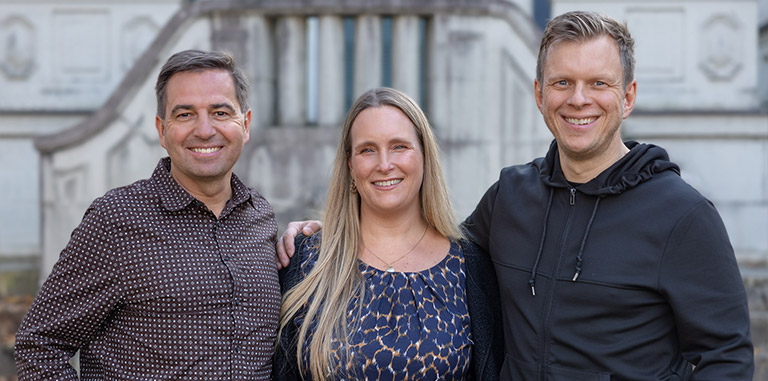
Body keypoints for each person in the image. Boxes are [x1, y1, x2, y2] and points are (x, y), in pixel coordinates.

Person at [277, 11, 754, 380]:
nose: (578, 99)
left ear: (627, 96)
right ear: (539, 93)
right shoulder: (511, 196)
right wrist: (333, 232)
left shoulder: (682, 215)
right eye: (562, 82)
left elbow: (725, 356)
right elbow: (425, 240)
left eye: (598, 84)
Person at [15, 49, 281, 380]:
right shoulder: (114, 221)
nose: (204, 129)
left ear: (245, 124)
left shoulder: (260, 217)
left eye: (220, 112)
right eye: (184, 115)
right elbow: (39, 346)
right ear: (161, 130)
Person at [272, 87, 503, 380]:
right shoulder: (306, 261)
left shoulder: (471, 266)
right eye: (367, 149)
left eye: (399, 146)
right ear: (350, 164)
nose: (384, 164)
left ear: (424, 155)